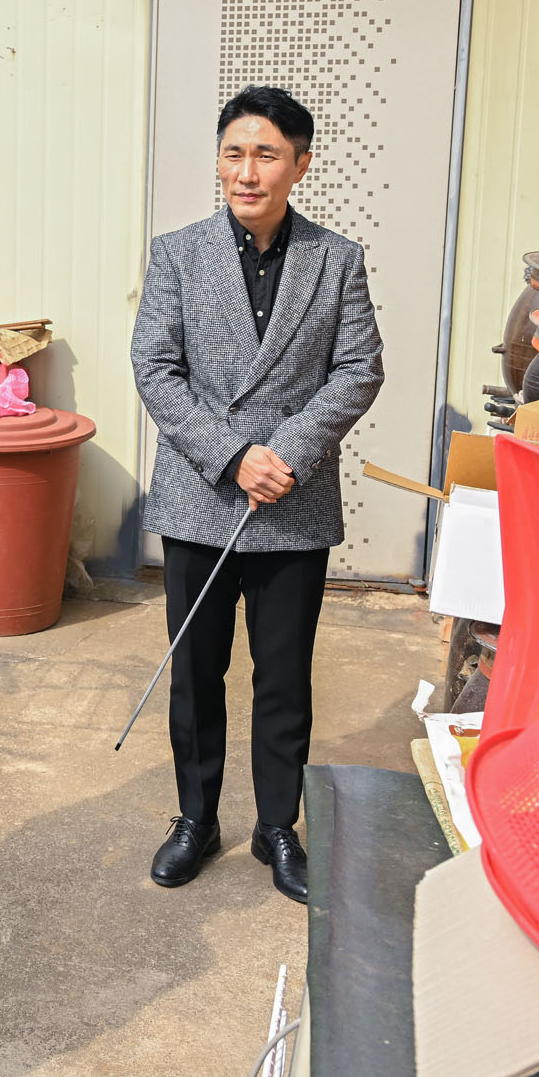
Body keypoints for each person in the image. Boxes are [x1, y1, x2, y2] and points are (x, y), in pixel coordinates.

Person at [130, 85, 384, 901]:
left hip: (291, 501)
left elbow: (359, 369)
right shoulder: (178, 253)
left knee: (283, 678)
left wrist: (288, 454)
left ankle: (279, 826)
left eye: (266, 154)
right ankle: (195, 819)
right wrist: (233, 455)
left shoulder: (335, 259)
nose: (247, 171)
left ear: (299, 165)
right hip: (202, 496)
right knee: (196, 674)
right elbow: (156, 368)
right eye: (234, 153)